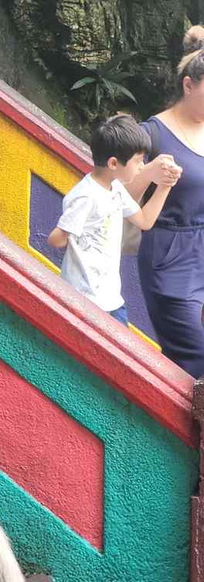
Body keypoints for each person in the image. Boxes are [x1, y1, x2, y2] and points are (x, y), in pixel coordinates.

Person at [48, 114, 179, 326]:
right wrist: (64, 234)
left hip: (112, 301)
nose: (141, 167)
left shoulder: (115, 189)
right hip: (84, 301)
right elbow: (56, 239)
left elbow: (144, 220)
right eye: (138, 161)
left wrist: (166, 185)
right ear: (113, 163)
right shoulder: (86, 196)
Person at [128, 25, 204, 378]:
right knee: (194, 353)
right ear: (188, 85)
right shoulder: (153, 133)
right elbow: (119, 193)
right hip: (169, 253)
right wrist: (151, 174)